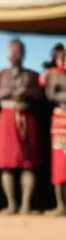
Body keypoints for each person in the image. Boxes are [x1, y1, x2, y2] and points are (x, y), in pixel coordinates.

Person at [0, 39, 42, 215]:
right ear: (7, 54)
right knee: (6, 163)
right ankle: (11, 204)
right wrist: (11, 91)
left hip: (26, 119)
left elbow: (39, 93)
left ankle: (26, 205)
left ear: (24, 54)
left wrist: (25, 92)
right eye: (12, 51)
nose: (15, 55)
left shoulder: (32, 75)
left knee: (28, 163)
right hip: (6, 119)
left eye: (18, 51)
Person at [46, 44, 66, 216]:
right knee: (60, 165)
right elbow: (51, 94)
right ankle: (61, 205)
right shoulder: (53, 75)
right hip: (60, 120)